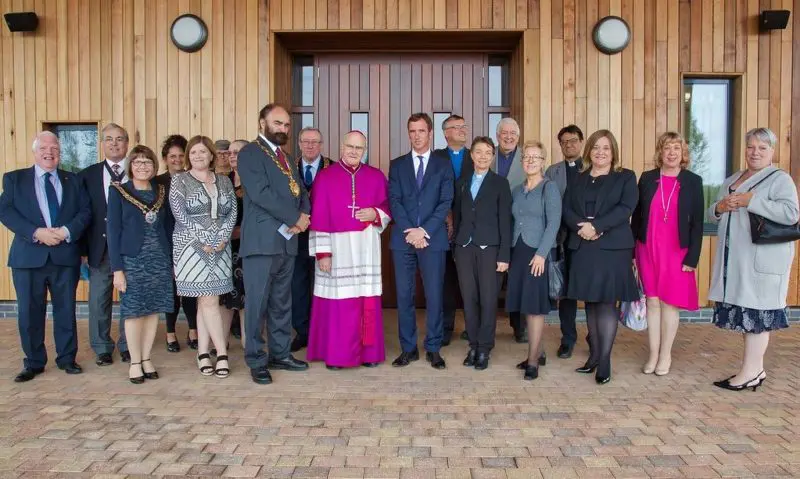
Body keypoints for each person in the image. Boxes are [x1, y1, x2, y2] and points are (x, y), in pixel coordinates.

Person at [707, 128, 799, 391]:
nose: (755, 152)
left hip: (763, 260)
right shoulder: (733, 179)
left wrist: (752, 201)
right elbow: (713, 211)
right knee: (747, 314)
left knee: (758, 315)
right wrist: (718, 208)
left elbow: (791, 213)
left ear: (772, 152)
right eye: (751, 147)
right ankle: (754, 370)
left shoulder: (779, 179)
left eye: (762, 148)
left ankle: (749, 372)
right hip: (736, 259)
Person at [0, 131, 91, 382]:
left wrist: (65, 232)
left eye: (54, 148)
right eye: (43, 148)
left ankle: (67, 359)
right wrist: (36, 232)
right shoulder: (15, 179)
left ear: (60, 153)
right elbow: (5, 211)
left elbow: (85, 212)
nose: (49, 152)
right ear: (35, 151)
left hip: (64, 256)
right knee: (29, 313)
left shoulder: (73, 180)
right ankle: (34, 362)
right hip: (28, 258)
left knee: (66, 310)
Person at [237, 103, 311, 385]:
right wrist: (295, 217)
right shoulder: (251, 153)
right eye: (277, 123)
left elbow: (301, 190)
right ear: (262, 123)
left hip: (287, 241)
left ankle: (279, 353)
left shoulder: (287, 157)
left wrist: (304, 217)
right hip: (261, 242)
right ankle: (256, 359)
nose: (283, 128)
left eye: (286, 125)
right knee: (257, 303)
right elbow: (261, 194)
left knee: (282, 301)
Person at [306, 131, 391, 369]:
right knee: (339, 304)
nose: (354, 152)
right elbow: (319, 217)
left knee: (367, 301)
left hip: (366, 248)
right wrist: (323, 253)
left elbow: (387, 207)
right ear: (342, 146)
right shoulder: (325, 177)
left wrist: (376, 213)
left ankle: (369, 354)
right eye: (350, 146)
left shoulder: (375, 177)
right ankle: (339, 355)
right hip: (337, 249)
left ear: (365, 150)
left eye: (359, 148)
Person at [563, 130, 638, 385]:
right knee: (591, 303)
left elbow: (626, 208)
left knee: (606, 303)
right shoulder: (578, 178)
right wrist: (581, 227)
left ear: (613, 151)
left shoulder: (625, 177)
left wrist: (597, 227)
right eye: (596, 147)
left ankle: (604, 360)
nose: (600, 152)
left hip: (612, 248)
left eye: (606, 148)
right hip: (584, 246)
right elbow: (567, 208)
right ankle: (594, 355)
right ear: (589, 151)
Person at [631, 132, 704, 376]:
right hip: (648, 247)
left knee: (669, 303)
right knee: (651, 301)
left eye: (677, 148)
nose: (672, 153)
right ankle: (652, 353)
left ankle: (665, 354)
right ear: (659, 152)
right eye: (667, 148)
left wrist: (693, 258)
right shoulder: (648, 178)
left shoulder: (693, 181)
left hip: (677, 250)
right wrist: (632, 251)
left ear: (683, 154)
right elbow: (638, 217)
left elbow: (698, 224)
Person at [389, 112, 454, 370]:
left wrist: (424, 230)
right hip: (403, 240)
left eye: (421, 131)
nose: (417, 136)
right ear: (408, 134)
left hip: (433, 239)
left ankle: (434, 348)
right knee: (404, 296)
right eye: (412, 132)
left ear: (430, 133)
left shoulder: (443, 164)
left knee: (434, 295)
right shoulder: (397, 165)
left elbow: (445, 201)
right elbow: (394, 201)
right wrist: (410, 230)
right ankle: (408, 349)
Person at [170, 136, 237, 379]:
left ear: (211, 155)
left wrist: (222, 236)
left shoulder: (223, 181)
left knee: (207, 301)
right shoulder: (180, 180)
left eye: (202, 152)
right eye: (194, 153)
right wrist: (205, 238)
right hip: (190, 246)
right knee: (208, 300)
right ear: (189, 156)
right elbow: (179, 213)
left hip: (221, 246)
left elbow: (232, 213)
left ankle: (202, 353)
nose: (198, 156)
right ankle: (221, 353)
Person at [107, 145, 174, 384]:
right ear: (130, 166)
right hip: (132, 261)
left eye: (147, 162)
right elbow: (113, 232)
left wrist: (172, 261)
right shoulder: (118, 192)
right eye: (137, 162)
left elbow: (168, 228)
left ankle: (147, 358)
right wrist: (117, 270)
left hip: (159, 259)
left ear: (155, 166)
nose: (142, 166)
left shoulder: (162, 191)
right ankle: (135, 361)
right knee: (134, 312)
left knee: (154, 309)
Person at [452, 136, 511, 370]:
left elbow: (505, 221)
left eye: (488, 152)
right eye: (479, 152)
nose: (483, 156)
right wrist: (457, 245)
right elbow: (458, 215)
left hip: (490, 249)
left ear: (493, 156)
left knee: (488, 300)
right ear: (472, 155)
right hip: (464, 248)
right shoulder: (462, 182)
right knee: (469, 300)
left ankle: (485, 348)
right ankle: (474, 345)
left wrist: (504, 255)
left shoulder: (500, 183)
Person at [79, 123, 131, 366]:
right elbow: (81, 215)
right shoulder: (87, 175)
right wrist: (82, 251)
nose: (114, 143)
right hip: (99, 249)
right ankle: (102, 347)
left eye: (119, 139)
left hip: (130, 249)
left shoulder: (138, 170)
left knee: (130, 299)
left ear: (127, 143)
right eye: (109, 139)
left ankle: (128, 344)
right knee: (99, 300)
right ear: (101, 144)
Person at [509, 141, 561, 380]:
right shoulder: (517, 190)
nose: (530, 161)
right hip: (518, 251)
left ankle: (532, 360)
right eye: (526, 157)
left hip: (536, 254)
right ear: (522, 162)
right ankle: (537, 351)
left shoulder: (549, 188)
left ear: (543, 162)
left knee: (534, 307)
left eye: (535, 157)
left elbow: (554, 223)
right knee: (524, 304)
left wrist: (541, 254)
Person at [291, 127, 333, 353]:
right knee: (298, 285)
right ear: (299, 143)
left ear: (322, 144)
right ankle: (302, 332)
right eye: (305, 141)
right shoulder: (288, 168)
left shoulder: (334, 167)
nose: (310, 146)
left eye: (315, 142)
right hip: (297, 236)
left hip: (325, 236)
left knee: (323, 284)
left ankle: (323, 331)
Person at [545, 125, 584, 359]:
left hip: (589, 242)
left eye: (573, 141)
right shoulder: (552, 171)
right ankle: (568, 338)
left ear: (581, 142)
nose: (569, 145)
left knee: (589, 290)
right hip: (563, 242)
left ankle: (594, 336)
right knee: (566, 292)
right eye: (564, 142)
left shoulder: (591, 168)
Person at [156, 134, 198, 352]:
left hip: (190, 242)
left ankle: (193, 330)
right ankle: (170, 333)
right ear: (165, 158)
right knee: (171, 290)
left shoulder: (194, 179)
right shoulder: (158, 183)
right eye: (172, 156)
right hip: (166, 242)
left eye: (181, 155)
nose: (177, 159)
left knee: (190, 289)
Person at [433, 114, 472, 345]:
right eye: (456, 127)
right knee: (446, 279)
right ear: (445, 133)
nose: (462, 130)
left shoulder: (475, 155)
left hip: (470, 228)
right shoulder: (436, 157)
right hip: (442, 227)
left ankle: (471, 327)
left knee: (469, 279)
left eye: (464, 126)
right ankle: (446, 328)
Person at [491, 117, 527, 343]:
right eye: (504, 132)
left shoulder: (528, 157)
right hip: (490, 228)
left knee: (518, 280)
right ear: (497, 135)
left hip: (518, 228)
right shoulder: (487, 154)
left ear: (518, 136)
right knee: (488, 281)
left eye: (513, 132)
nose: (509, 136)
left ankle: (519, 327)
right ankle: (483, 326)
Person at [219, 140, 249, 347]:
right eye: (230, 152)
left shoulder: (255, 181)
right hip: (223, 248)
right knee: (224, 297)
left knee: (247, 297)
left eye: (237, 152)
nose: (232, 155)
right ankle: (221, 343)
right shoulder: (222, 181)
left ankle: (249, 343)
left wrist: (242, 232)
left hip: (248, 247)